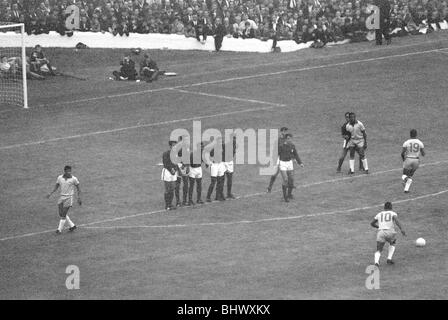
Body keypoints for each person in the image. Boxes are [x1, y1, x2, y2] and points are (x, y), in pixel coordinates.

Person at [46, 166, 82, 234]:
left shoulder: (74, 179)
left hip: (69, 197)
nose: (69, 172)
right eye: (68, 171)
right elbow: (56, 186)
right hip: (61, 197)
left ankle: (59, 230)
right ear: (64, 171)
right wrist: (50, 193)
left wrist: (79, 198)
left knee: (63, 215)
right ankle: (72, 226)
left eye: (70, 171)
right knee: (61, 213)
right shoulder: (60, 178)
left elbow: (78, 188)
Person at [370, 202, 406, 266]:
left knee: (379, 249)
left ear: (384, 207)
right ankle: (389, 259)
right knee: (392, 243)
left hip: (381, 233)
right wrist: (402, 229)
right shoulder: (393, 213)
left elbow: (372, 223)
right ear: (391, 207)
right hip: (390, 232)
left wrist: (379, 227)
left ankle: (376, 262)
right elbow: (397, 221)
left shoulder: (379, 214)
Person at [278, 133, 304, 202]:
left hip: (289, 163)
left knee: (291, 179)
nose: (290, 140)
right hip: (282, 163)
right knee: (286, 179)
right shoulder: (281, 146)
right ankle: (284, 197)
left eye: (291, 139)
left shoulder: (292, 146)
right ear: (286, 139)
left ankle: (289, 194)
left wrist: (300, 163)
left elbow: (296, 155)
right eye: (288, 138)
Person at [401, 129, 425, 193]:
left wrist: (404, 160)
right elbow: (423, 154)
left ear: (410, 134)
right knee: (410, 175)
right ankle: (406, 190)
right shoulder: (420, 142)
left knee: (404, 175)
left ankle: (405, 179)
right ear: (416, 134)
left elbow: (402, 153)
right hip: (416, 160)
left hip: (408, 159)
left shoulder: (406, 142)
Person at [267, 127, 289, 193]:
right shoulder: (278, 140)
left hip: (285, 159)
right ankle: (269, 187)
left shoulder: (287, 139)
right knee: (274, 174)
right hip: (278, 158)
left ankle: (288, 188)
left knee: (287, 175)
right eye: (284, 131)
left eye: (286, 131)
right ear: (281, 132)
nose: (285, 132)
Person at [205, 137, 226, 202]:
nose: (221, 142)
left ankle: (218, 195)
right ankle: (208, 197)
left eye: (221, 141)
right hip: (214, 165)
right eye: (219, 141)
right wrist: (208, 163)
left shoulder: (222, 146)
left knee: (220, 181)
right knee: (213, 181)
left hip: (220, 164)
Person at [161, 141, 178, 210]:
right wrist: (171, 170)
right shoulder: (166, 153)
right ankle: (167, 205)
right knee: (167, 189)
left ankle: (170, 204)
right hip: (167, 172)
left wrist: (175, 169)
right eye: (173, 145)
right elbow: (165, 163)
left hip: (174, 172)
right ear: (170, 146)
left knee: (172, 189)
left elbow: (176, 163)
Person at [175, 135, 189, 207]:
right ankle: (178, 201)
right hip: (179, 166)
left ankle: (184, 200)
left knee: (186, 184)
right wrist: (178, 169)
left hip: (185, 166)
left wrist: (187, 166)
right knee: (177, 184)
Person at [223, 135, 237, 199]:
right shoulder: (226, 145)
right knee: (221, 179)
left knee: (230, 178)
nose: (234, 140)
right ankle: (219, 194)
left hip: (230, 162)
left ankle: (229, 193)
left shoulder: (234, 145)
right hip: (224, 162)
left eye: (235, 139)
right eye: (233, 139)